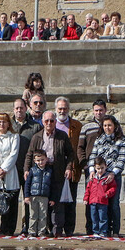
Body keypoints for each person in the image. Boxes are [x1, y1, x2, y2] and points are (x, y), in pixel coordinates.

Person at [24, 111, 74, 237]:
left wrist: (68, 168)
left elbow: (71, 154)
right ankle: (39, 229)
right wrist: (26, 169)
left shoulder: (62, 136)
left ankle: (57, 230)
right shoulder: (37, 137)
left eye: (52, 121)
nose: (49, 123)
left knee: (56, 203)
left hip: (57, 173)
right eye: (46, 121)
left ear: (55, 122)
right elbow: (29, 155)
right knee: (40, 204)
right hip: (40, 173)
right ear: (42, 122)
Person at [87, 115, 125, 236]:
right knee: (99, 204)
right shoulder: (99, 139)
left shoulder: (122, 140)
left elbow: (121, 159)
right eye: (105, 125)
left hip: (113, 176)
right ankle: (100, 230)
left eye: (109, 125)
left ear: (115, 126)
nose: (107, 128)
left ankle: (115, 230)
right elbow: (93, 155)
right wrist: (91, 170)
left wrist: (113, 173)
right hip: (99, 176)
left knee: (114, 204)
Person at [77, 99, 107, 234]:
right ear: (93, 111)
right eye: (96, 110)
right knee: (91, 199)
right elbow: (80, 147)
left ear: (105, 110)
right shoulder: (86, 127)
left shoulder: (111, 125)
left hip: (107, 170)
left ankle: (106, 229)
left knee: (106, 200)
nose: (98, 112)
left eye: (101, 110)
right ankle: (91, 228)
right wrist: (85, 165)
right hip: (90, 170)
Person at [12, 98, 41, 235]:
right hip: (12, 169)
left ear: (26, 108)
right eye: (16, 108)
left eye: (21, 108)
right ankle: (9, 228)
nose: (19, 110)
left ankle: (27, 227)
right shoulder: (9, 125)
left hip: (28, 169)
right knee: (12, 199)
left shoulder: (35, 126)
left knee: (28, 199)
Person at [54, 96, 82, 236]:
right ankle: (55, 228)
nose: (62, 111)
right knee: (55, 201)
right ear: (55, 109)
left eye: (65, 108)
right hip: (55, 169)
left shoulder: (77, 125)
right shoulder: (50, 123)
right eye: (60, 108)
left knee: (71, 201)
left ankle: (69, 229)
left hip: (72, 168)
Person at [24, 150, 56, 237]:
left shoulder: (49, 171)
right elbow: (27, 184)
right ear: (34, 161)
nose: (40, 162)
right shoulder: (32, 170)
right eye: (38, 160)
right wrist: (26, 196)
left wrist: (52, 198)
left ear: (46, 159)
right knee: (33, 215)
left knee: (43, 215)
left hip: (44, 197)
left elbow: (52, 186)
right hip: (33, 196)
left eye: (42, 160)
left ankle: (41, 232)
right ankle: (31, 232)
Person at [83, 156, 118, 237]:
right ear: (95, 168)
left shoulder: (107, 178)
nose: (100, 170)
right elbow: (88, 189)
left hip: (103, 201)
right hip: (92, 201)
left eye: (102, 168)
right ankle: (95, 231)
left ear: (106, 166)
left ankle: (103, 232)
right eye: (98, 168)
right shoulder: (92, 178)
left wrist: (107, 194)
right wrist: (86, 198)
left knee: (103, 218)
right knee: (94, 218)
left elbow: (113, 188)